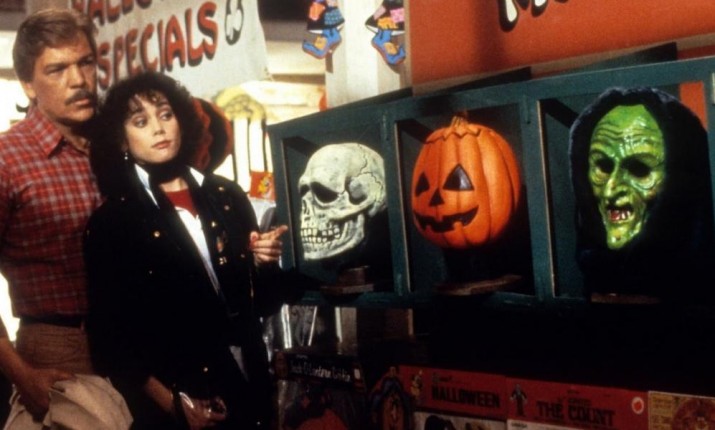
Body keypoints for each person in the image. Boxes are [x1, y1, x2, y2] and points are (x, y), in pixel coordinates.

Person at [84, 71, 291, 429]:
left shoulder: (226, 196)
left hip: (248, 387)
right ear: (121, 140)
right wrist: (173, 404)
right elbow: (110, 341)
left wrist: (263, 263)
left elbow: (265, 305)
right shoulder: (112, 222)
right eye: (141, 121)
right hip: (175, 395)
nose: (159, 128)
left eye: (166, 115)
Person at [0, 8, 133, 428]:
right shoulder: (7, 159)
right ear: (28, 84)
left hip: (139, 356)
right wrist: (22, 374)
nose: (78, 81)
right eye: (57, 69)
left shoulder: (121, 148)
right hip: (59, 359)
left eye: (86, 63)